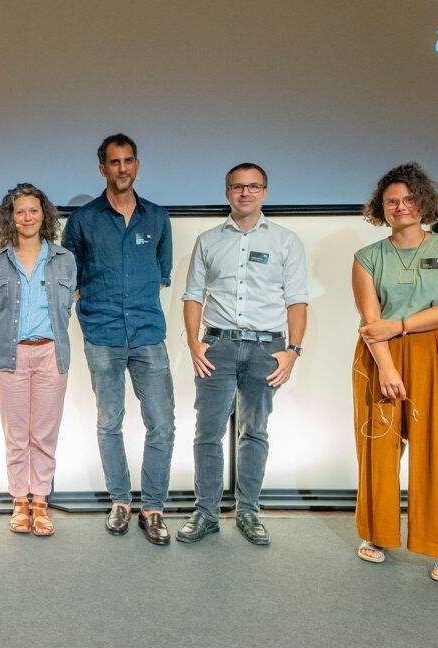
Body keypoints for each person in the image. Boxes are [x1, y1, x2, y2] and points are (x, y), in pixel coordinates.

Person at [351, 162, 438, 583]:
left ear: (423, 203)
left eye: (407, 199)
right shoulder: (367, 257)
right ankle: (377, 533)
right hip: (377, 354)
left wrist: (400, 325)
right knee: (378, 447)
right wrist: (386, 365)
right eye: (391, 201)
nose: (400, 206)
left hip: (437, 352)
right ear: (380, 208)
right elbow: (371, 320)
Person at [179, 163, 309, 546]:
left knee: (255, 431)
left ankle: (249, 511)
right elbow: (192, 296)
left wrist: (293, 351)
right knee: (207, 432)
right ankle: (205, 513)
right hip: (216, 345)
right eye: (237, 187)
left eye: (253, 187)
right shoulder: (208, 241)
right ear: (227, 192)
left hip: (266, 348)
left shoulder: (286, 241)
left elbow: (297, 300)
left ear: (265, 192)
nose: (245, 193)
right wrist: (193, 343)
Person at [61, 133, 175, 546]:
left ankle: (154, 508)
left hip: (148, 335)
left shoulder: (157, 218)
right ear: (102, 168)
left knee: (161, 423)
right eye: (114, 162)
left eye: (129, 161)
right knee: (110, 422)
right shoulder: (83, 221)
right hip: (103, 335)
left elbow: (161, 275)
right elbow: (69, 280)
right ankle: (121, 502)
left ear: (137, 165)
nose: (122, 168)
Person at [0, 183, 76, 536]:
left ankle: (41, 501)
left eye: (33, 210)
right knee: (16, 433)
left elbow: (66, 306)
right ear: (11, 217)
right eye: (20, 211)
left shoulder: (64, 259)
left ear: (44, 215)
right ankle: (19, 501)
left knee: (44, 434)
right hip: (11, 355)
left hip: (51, 352)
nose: (27, 217)